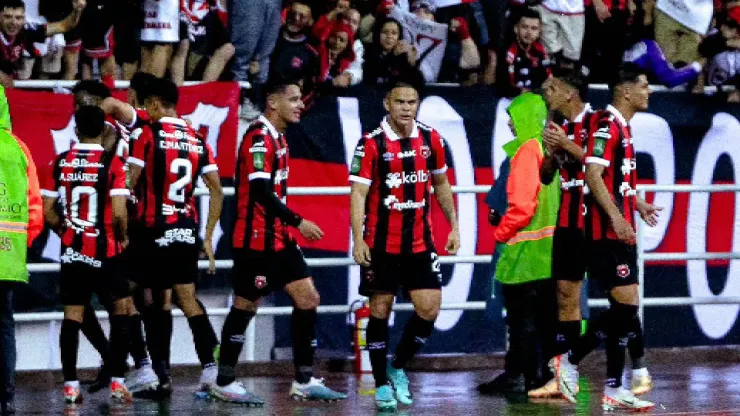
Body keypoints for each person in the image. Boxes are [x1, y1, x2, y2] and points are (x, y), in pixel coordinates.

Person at [210, 80, 347, 405]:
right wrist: (299, 221)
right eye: (294, 98)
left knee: (308, 298)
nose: (300, 104)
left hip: (279, 240)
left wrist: (289, 227)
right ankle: (223, 380)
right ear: (273, 102)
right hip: (255, 243)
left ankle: (303, 379)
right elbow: (260, 192)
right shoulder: (259, 138)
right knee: (246, 306)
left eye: (301, 98)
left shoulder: (280, 138)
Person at [536, 70, 653, 398]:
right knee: (573, 300)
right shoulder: (588, 125)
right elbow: (548, 177)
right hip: (578, 225)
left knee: (624, 304)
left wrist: (634, 204)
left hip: (597, 222)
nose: (547, 95)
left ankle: (600, 370)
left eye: (551, 89)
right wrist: (551, 153)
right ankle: (576, 374)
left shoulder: (599, 121)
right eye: (644, 86)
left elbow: (600, 169)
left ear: (568, 92)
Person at [349, 82, 460, 412]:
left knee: (429, 309)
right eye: (400, 101)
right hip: (381, 245)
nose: (406, 108)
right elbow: (357, 194)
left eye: (412, 102)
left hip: (419, 244)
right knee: (380, 310)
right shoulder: (370, 144)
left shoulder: (432, 139)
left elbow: (441, 183)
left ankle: (398, 366)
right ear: (387, 103)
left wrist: (453, 225)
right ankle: (381, 382)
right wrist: (358, 239)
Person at [127, 77, 222, 395]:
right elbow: (217, 191)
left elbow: (131, 181)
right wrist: (207, 236)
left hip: (152, 230)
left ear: (154, 104)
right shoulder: (198, 138)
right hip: (185, 229)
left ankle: (154, 373)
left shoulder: (146, 133)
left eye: (145, 106)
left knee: (141, 298)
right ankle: (212, 369)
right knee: (187, 298)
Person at [41, 106, 134, 405]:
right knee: (122, 312)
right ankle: (119, 383)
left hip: (74, 251)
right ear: (104, 130)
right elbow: (119, 213)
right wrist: (121, 237)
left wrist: (68, 234)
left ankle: (70, 387)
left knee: (73, 316)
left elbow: (47, 212)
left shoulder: (60, 162)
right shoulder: (113, 163)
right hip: (107, 249)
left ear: (75, 129)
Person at [477, 92, 560, 395]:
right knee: (546, 321)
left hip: (524, 253)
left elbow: (522, 207)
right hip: (550, 253)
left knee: (521, 321)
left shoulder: (527, 151)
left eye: (513, 119)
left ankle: (522, 378)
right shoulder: (549, 150)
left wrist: (501, 235)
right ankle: (540, 377)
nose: (510, 125)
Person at [0, 84, 43, 415]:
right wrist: (21, 244)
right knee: (4, 326)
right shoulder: (18, 148)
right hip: (9, 257)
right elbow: (35, 205)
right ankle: (8, 396)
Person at [0, 0, 86, 87]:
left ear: (24, 19)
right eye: (7, 17)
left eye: (18, 18)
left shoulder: (25, 30)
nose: (14, 22)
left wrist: (77, 11)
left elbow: (63, 26)